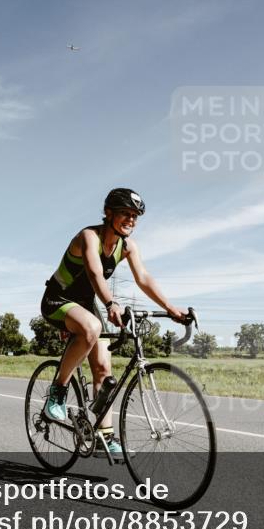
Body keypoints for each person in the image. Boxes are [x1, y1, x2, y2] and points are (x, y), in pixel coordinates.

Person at [39, 188, 186, 458]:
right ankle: (57, 392)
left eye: (134, 216)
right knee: (92, 327)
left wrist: (171, 308)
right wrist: (110, 304)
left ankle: (103, 436)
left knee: (104, 368)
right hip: (57, 300)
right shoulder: (88, 237)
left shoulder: (127, 246)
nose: (130, 220)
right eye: (124, 214)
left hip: (86, 305)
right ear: (108, 213)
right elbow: (95, 274)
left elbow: (144, 278)